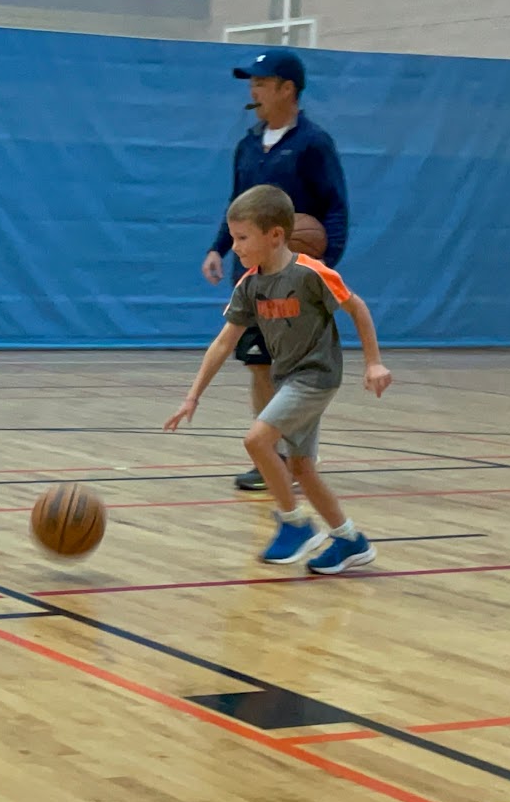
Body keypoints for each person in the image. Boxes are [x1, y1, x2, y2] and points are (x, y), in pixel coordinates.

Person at [166, 184, 390, 575]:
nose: (235, 246)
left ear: (275, 235)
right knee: (302, 467)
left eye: (242, 238)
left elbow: (357, 308)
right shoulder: (250, 284)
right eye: (233, 237)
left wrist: (373, 363)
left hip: (316, 376)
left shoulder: (311, 273)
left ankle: (294, 524)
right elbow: (223, 343)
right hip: (287, 379)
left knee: (256, 440)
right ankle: (349, 540)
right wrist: (192, 396)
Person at [200, 48, 349, 492]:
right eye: (252, 83)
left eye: (262, 83)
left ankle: (297, 459)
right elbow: (237, 207)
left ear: (288, 89)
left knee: (296, 372)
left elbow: (334, 208)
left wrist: (323, 265)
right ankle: (273, 457)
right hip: (253, 277)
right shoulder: (247, 145)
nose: (254, 90)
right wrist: (219, 248)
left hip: (297, 275)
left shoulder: (314, 143)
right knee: (259, 365)